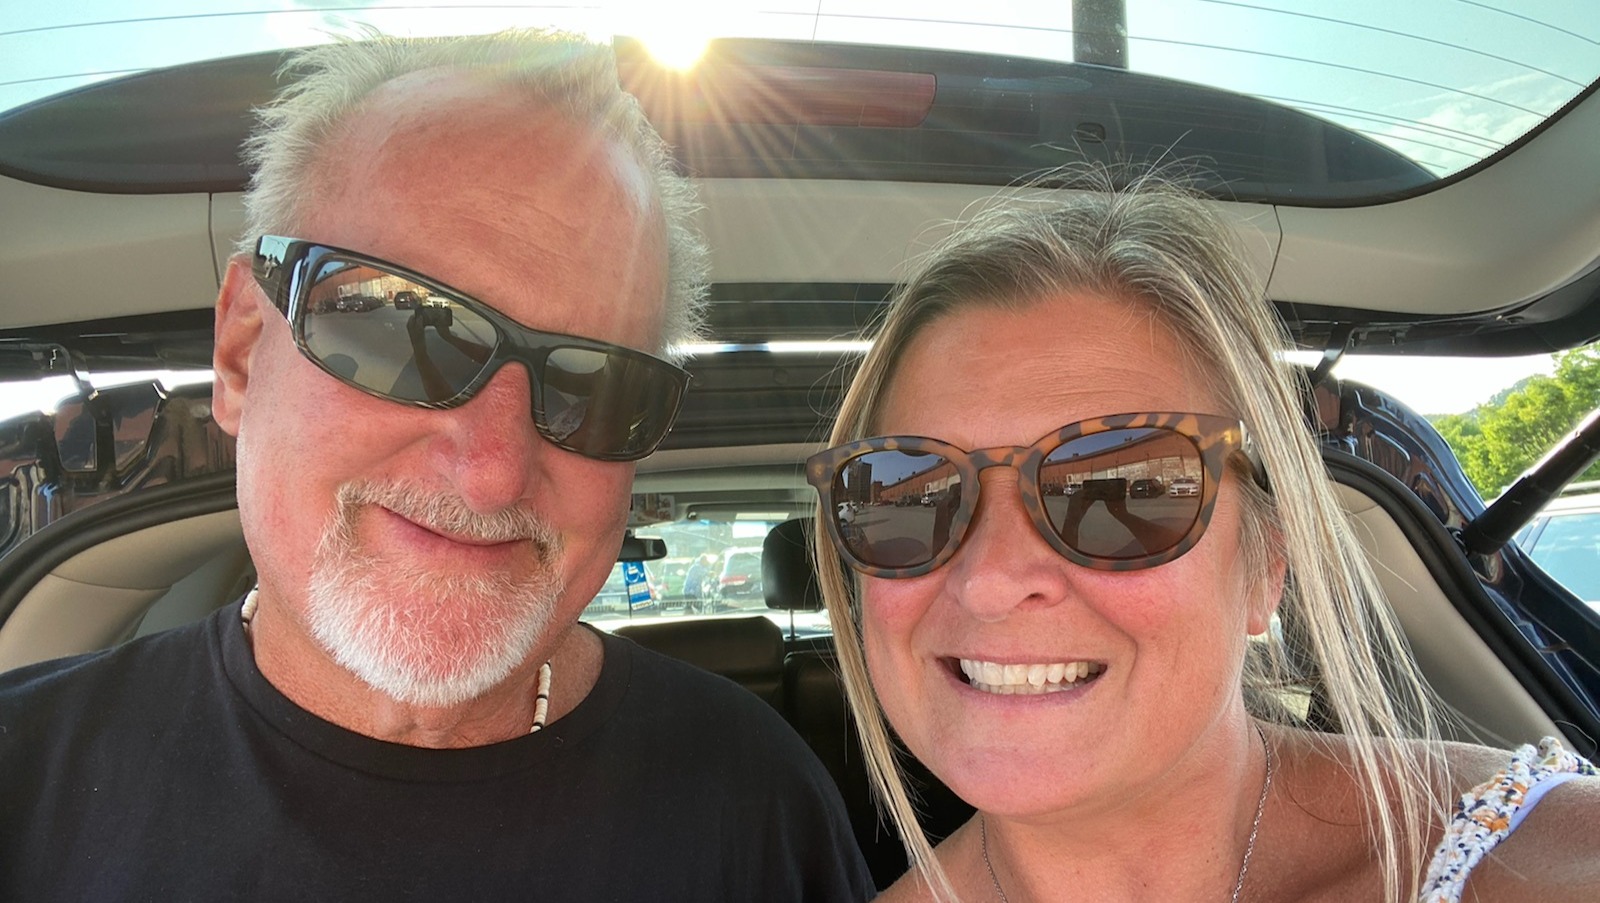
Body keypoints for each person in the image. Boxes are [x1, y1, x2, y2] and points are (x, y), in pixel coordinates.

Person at [0, 30, 872, 901]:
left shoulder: (757, 802)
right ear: (241, 352)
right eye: (398, 327)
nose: (491, 474)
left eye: (594, 386)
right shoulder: (24, 776)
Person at [803, 176, 1599, 903]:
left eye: (1123, 488)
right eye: (907, 493)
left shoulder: (1548, 866)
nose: (989, 579)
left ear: (1265, 566)